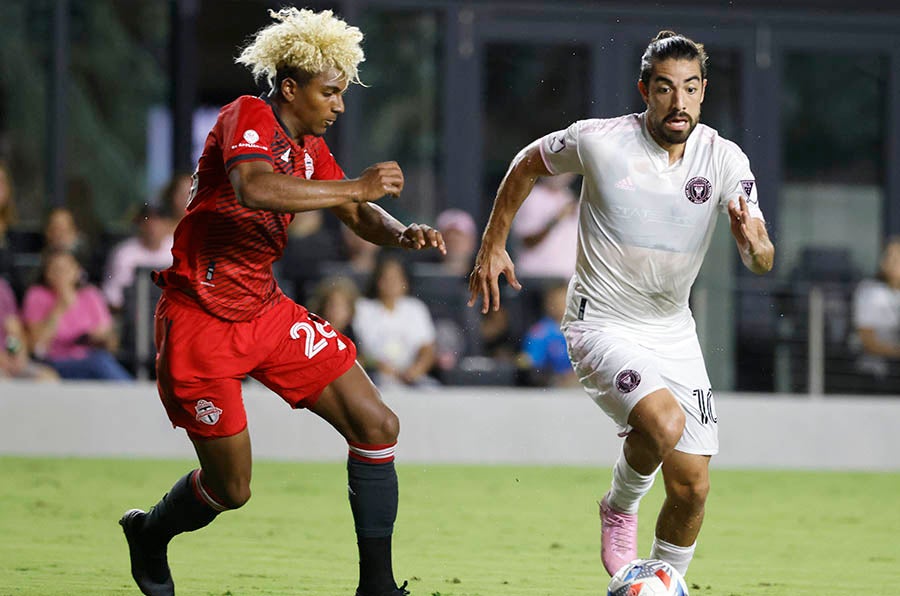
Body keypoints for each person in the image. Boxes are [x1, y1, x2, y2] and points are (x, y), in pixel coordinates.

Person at [118, 9, 445, 596]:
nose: (339, 105)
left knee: (376, 423)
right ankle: (150, 533)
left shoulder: (310, 151)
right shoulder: (247, 115)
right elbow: (254, 186)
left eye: (342, 93)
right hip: (200, 322)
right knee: (231, 489)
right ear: (291, 88)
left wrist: (402, 233)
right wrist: (358, 187)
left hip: (265, 312)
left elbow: (356, 213)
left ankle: (378, 588)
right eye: (330, 92)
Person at [467, 31, 774, 580]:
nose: (678, 102)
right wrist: (492, 245)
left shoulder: (724, 158)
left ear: (703, 92)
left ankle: (661, 585)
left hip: (673, 330)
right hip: (600, 323)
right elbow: (525, 164)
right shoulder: (599, 142)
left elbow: (762, 256)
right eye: (664, 89)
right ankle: (620, 505)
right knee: (662, 423)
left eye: (690, 88)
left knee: (693, 488)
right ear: (644, 91)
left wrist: (754, 248)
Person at [21, 249, 132, 381]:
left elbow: (112, 344)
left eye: (66, 269)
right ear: (46, 273)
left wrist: (101, 337)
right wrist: (59, 308)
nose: (61, 275)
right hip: (54, 361)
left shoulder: (91, 295)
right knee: (99, 363)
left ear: (77, 271)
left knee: (101, 360)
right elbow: (36, 346)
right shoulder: (37, 295)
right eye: (56, 270)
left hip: (90, 358)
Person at [354, 254, 438, 387]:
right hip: (374, 376)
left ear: (404, 282)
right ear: (377, 281)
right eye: (385, 278)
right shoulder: (363, 308)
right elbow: (361, 352)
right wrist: (379, 366)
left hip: (410, 377)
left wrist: (416, 370)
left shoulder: (416, 308)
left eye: (395, 278)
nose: (390, 283)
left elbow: (427, 348)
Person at [102, 203, 174, 311]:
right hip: (135, 315)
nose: (153, 226)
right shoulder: (124, 253)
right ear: (139, 224)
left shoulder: (178, 248)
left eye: (159, 220)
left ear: (167, 224)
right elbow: (114, 298)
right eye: (148, 220)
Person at [852, 237, 900, 391]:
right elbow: (868, 341)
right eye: (892, 258)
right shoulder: (870, 291)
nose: (895, 263)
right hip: (876, 374)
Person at [510, 172, 579, 279]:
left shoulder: (569, 198)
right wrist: (555, 220)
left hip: (567, 277)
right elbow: (527, 241)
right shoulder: (531, 198)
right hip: (538, 277)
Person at [519, 282, 578, 387]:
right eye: (558, 302)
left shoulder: (586, 329)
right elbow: (530, 362)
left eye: (565, 301)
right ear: (549, 304)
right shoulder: (541, 332)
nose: (562, 306)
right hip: (553, 384)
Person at [0, 276, 58, 381]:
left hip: (7, 360)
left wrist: (16, 354)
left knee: (48, 378)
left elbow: (12, 331)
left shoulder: (2, 288)